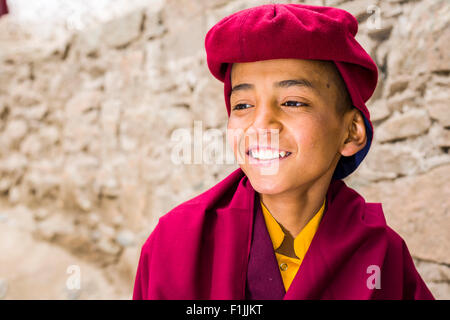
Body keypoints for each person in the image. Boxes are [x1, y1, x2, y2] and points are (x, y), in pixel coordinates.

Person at [133, 3, 434, 300]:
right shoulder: (177, 243)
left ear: (352, 131)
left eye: (293, 102)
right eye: (243, 106)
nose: (261, 125)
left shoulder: (382, 254)